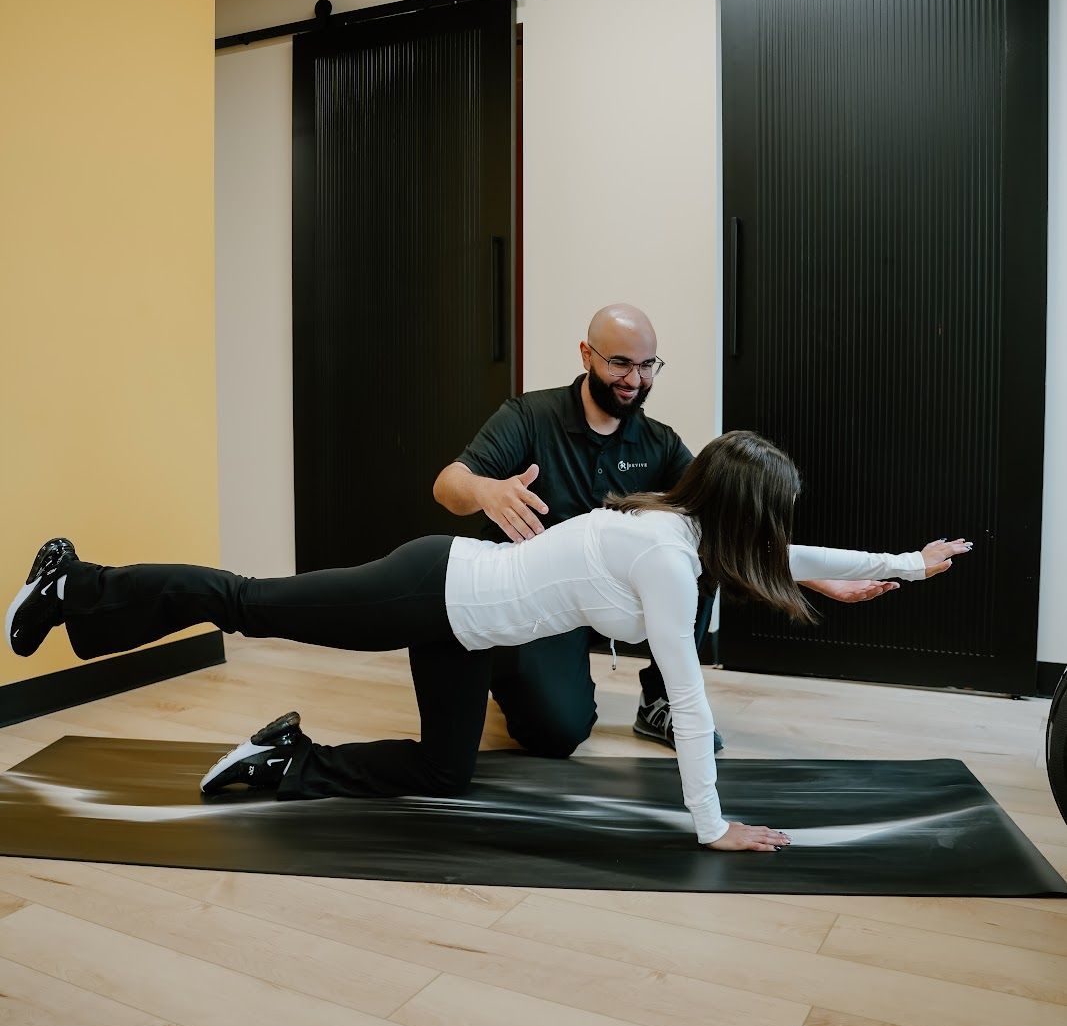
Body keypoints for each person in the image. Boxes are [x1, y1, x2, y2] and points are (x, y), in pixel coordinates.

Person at [5, 430, 970, 851]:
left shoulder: (675, 525)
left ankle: (287, 759)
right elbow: (691, 699)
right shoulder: (671, 564)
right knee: (248, 601)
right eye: (770, 518)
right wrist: (710, 823)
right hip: (430, 591)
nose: (775, 538)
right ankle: (76, 581)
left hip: (463, 624)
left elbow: (782, 548)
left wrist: (906, 565)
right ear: (736, 510)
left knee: (443, 768)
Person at [433, 303, 901, 758]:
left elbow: (725, 525)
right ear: (586, 354)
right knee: (554, 734)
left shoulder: (659, 442)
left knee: (702, 556)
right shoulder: (529, 417)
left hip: (613, 594)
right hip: (540, 596)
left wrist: (814, 575)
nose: (634, 381)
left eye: (646, 366)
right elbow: (447, 485)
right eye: (619, 363)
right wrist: (484, 490)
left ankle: (660, 702)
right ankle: (508, 668)